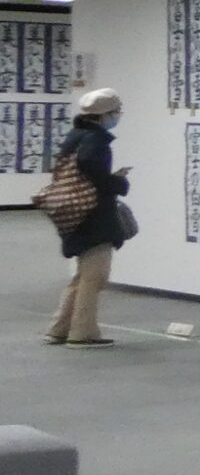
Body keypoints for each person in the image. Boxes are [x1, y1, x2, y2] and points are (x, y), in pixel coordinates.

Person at [42, 88, 128, 349]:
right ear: (105, 114)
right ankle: (83, 333)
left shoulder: (75, 136)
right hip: (93, 216)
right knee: (95, 276)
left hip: (75, 213)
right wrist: (117, 182)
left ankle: (59, 328)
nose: (118, 116)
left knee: (82, 275)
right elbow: (92, 168)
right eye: (116, 112)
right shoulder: (95, 140)